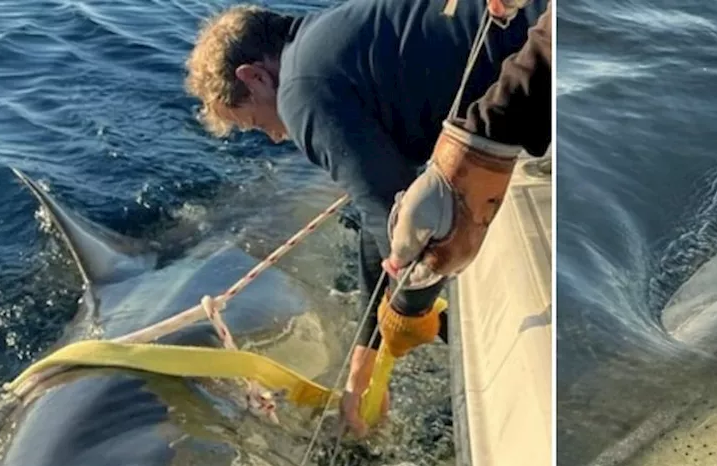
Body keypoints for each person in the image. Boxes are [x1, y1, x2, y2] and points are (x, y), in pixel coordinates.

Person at [184, 0, 549, 436]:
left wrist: (410, 314)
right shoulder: (331, 42)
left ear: (254, 76)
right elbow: (382, 206)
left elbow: (410, 234)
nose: (277, 136)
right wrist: (367, 348)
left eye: (257, 123)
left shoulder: (301, 94)